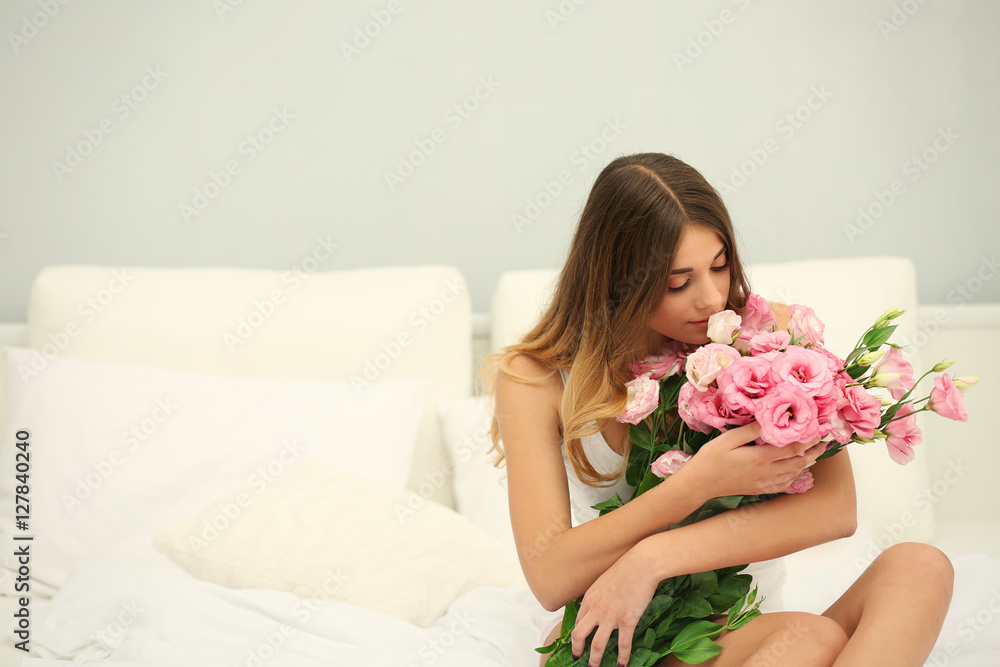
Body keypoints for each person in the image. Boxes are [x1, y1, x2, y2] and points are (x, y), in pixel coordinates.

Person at [481, 153, 954, 667]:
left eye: (720, 265)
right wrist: (696, 483)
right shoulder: (536, 378)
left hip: (755, 623)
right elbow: (549, 574)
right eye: (677, 282)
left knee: (920, 567)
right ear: (618, 280)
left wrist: (652, 558)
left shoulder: (765, 334)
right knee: (812, 639)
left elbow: (835, 511)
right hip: (636, 638)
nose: (711, 298)